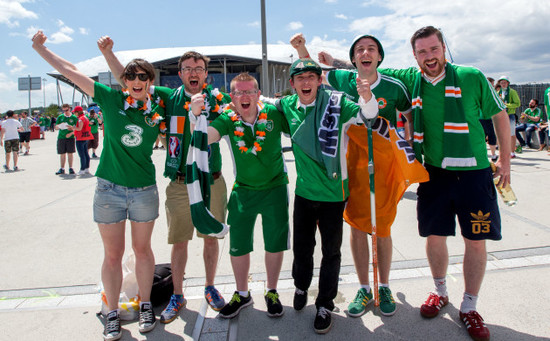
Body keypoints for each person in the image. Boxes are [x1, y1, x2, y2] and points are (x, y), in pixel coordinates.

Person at [32, 30, 170, 340]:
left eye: (143, 77)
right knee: (112, 254)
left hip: (144, 190)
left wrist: (112, 56)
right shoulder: (110, 98)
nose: (136, 81)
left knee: (143, 250)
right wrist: (42, 49)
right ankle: (111, 312)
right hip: (109, 190)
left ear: (150, 81)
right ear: (124, 82)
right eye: (131, 77)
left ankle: (146, 305)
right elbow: (71, 71)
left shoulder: (158, 103)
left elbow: (183, 94)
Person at [379, 26, 511, 341]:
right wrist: (327, 61)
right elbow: (368, 67)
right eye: (422, 52)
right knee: (434, 236)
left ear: (443, 48)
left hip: (474, 173)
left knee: (475, 240)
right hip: (434, 173)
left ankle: (469, 306)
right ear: (415, 56)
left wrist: (505, 160)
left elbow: (500, 116)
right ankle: (440, 291)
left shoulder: (471, 76)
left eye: (433, 49)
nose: (429, 57)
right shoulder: (411, 79)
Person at [98, 37, 231, 322]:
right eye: (187, 68)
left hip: (212, 180)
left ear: (206, 74)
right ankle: (178, 294)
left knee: (210, 238)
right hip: (180, 182)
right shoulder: (167, 98)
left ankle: (210, 287)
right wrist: (109, 53)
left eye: (198, 68)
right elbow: (132, 80)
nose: (193, 72)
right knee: (179, 241)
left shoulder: (219, 101)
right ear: (180, 74)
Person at [290, 32, 412, 317]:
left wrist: (410, 152)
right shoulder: (344, 79)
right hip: (352, 162)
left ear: (379, 56)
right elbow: (309, 75)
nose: (365, 53)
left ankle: (384, 285)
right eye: (359, 50)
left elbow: (409, 116)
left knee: (381, 228)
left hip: (383, 163)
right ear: (354, 58)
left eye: (371, 49)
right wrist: (301, 49)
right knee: (357, 226)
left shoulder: (394, 86)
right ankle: (364, 287)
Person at [275, 57, 378, 334]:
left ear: (320, 80)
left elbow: (367, 115)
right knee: (302, 248)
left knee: (331, 252)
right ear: (293, 84)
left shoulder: (337, 103)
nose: (306, 82)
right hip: (304, 193)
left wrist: (367, 96)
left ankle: (324, 303)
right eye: (300, 78)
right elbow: (258, 104)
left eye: (311, 76)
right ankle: (300, 286)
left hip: (334, 194)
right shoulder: (286, 105)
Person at [191, 72, 290, 319]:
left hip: (275, 188)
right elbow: (205, 137)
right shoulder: (227, 119)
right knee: (238, 246)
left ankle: (272, 291)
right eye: (238, 92)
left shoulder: (275, 114)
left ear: (258, 94)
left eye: (249, 91)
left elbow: (299, 127)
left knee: (274, 243)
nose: (244, 96)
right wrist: (195, 115)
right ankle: (242, 293)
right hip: (243, 190)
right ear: (231, 97)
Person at [497, 76, 521, 157]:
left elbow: (517, 103)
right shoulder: (498, 93)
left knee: (511, 134)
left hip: (510, 115)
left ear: (508, 83)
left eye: (505, 82)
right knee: (501, 134)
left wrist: (506, 105)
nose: (503, 84)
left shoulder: (512, 92)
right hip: (501, 116)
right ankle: (503, 151)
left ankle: (512, 152)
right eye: (501, 82)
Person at [55, 103, 77, 175]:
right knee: (62, 153)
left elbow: (77, 128)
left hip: (70, 137)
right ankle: (62, 168)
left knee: (70, 153)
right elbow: (56, 127)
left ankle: (71, 167)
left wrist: (71, 131)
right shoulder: (60, 117)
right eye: (63, 110)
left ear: (69, 109)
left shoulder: (74, 117)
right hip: (61, 137)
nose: (65, 112)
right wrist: (59, 126)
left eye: (66, 110)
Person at [480, 77, 498, 161]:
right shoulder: (485, 92)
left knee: (489, 135)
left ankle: (493, 154)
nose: (493, 86)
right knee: (486, 135)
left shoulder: (490, 92)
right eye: (492, 84)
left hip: (486, 117)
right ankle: (490, 154)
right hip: (483, 116)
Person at [72, 106, 94, 175]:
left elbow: (79, 128)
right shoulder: (85, 117)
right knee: (86, 154)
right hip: (86, 137)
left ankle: (82, 169)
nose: (74, 114)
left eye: (75, 112)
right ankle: (87, 168)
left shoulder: (80, 119)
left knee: (82, 155)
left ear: (78, 112)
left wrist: (73, 128)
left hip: (80, 138)